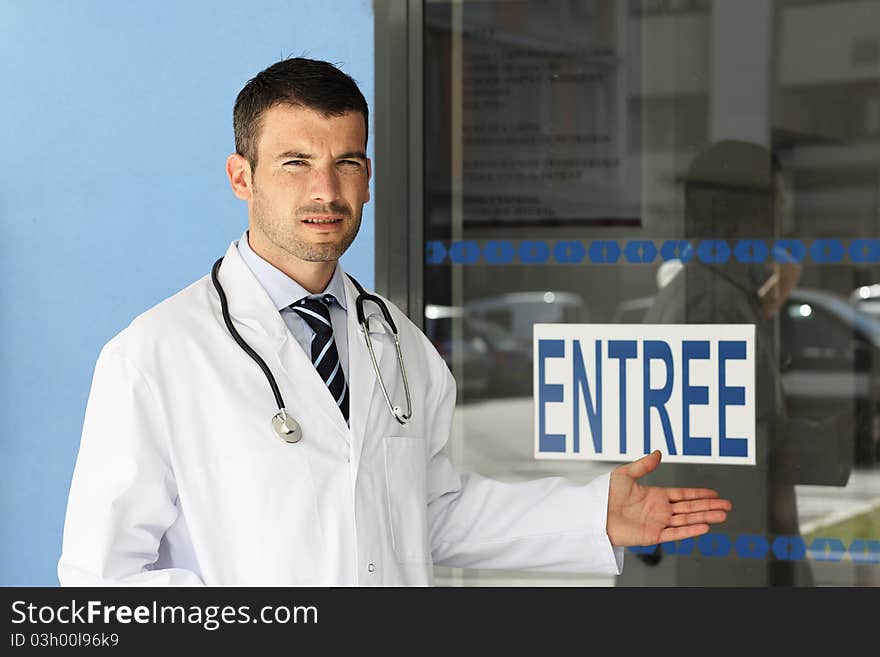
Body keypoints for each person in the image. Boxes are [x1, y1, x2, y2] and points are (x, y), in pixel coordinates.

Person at [57, 57, 730, 586]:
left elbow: (427, 511)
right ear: (242, 176)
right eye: (296, 163)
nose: (326, 190)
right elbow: (103, 578)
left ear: (369, 177)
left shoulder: (399, 344)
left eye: (345, 162)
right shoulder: (154, 354)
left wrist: (589, 515)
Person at [622, 139, 836, 587]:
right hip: (717, 554)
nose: (781, 224)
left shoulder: (713, 293)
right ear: (736, 215)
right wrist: (837, 439)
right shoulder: (709, 306)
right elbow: (735, 443)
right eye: (775, 205)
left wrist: (771, 297)